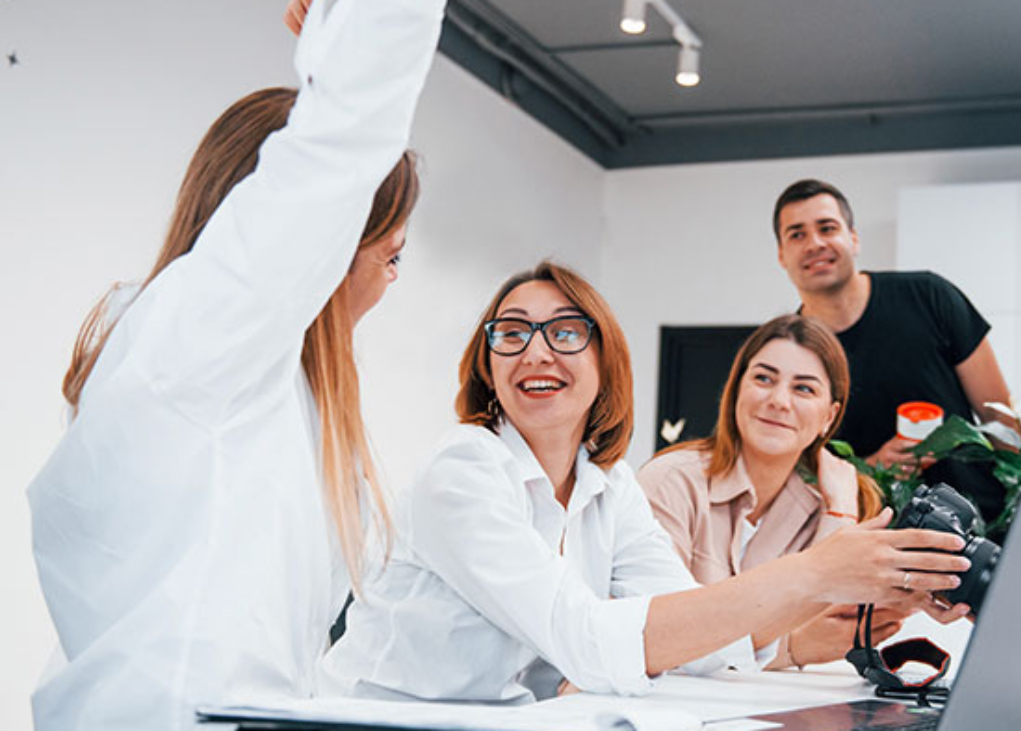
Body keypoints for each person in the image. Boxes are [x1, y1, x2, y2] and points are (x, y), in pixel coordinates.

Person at [26, 0, 445, 727]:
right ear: (329, 249)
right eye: (391, 256)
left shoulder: (252, 384)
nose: (390, 282)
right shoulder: (202, 342)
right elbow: (340, 148)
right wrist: (354, 32)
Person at [320, 262, 971, 702]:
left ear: (606, 362)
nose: (536, 351)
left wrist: (854, 579)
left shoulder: (609, 483)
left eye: (565, 333)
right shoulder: (462, 470)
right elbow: (586, 640)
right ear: (488, 366)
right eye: (511, 333)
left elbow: (697, 637)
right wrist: (816, 574)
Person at [639, 314, 942, 670]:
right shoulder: (670, 482)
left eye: (804, 389)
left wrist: (840, 513)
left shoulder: (829, 503)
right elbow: (658, 643)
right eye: (763, 379)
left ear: (829, 417)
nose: (779, 400)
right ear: (736, 390)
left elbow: (831, 622)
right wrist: (792, 647)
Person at [772, 179, 1021, 524]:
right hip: (879, 539)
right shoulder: (788, 353)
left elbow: (1001, 419)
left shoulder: (929, 296)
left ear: (853, 238)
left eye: (827, 228)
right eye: (797, 234)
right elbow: (796, 478)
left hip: (984, 525)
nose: (815, 243)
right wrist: (871, 467)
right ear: (782, 255)